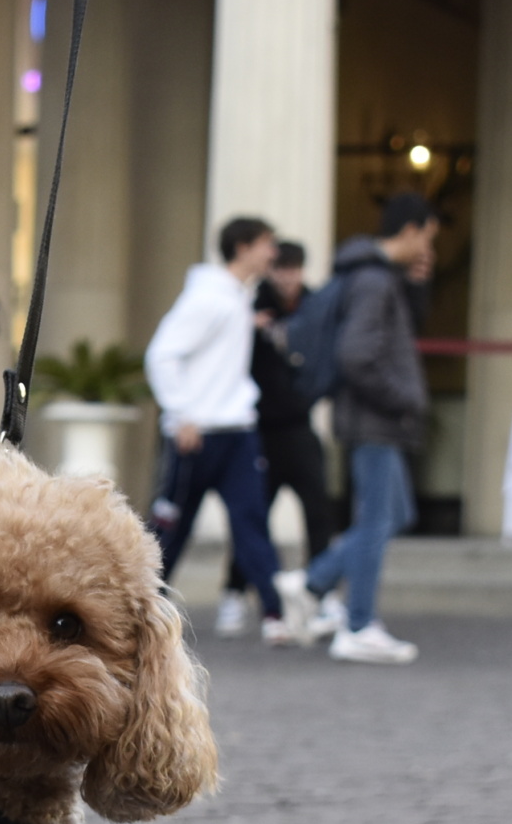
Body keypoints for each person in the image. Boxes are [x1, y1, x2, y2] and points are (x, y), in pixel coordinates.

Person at [301, 193, 438, 665]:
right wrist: (403, 399)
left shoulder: (376, 277)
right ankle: (358, 624)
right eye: (428, 238)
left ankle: (314, 582)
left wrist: (419, 286)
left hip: (373, 420)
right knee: (378, 520)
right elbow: (357, 354)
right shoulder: (375, 281)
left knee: (392, 514)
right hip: (375, 420)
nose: (428, 249)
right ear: (412, 230)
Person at [146, 217, 291, 643]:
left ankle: (274, 612)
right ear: (242, 247)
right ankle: (135, 609)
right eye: (267, 244)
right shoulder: (208, 299)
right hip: (199, 435)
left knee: (251, 521)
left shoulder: (235, 298)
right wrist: (182, 415)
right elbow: (162, 355)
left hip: (238, 432)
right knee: (173, 527)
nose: (272, 253)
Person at [215, 240, 334, 637]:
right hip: (261, 429)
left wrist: (307, 396)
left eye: (295, 269)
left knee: (318, 510)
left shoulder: (315, 307)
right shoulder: (249, 305)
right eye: (281, 268)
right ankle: (234, 592)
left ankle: (321, 592)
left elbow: (324, 360)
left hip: (300, 426)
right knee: (252, 517)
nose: (288, 277)